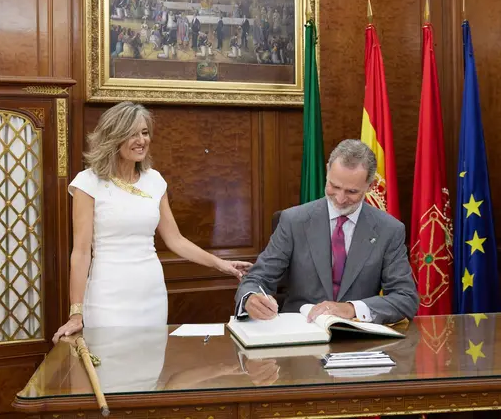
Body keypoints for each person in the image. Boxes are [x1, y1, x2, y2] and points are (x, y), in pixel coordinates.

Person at [53, 102, 252, 343]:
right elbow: (81, 253)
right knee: (110, 371)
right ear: (112, 137)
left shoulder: (154, 180)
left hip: (152, 293)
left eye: (145, 133)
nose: (141, 140)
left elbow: (175, 240)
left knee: (149, 369)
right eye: (132, 133)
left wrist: (222, 265)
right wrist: (76, 314)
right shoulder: (88, 182)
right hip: (108, 295)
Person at [234, 139, 419, 325]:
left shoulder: (389, 230)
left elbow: (405, 298)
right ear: (328, 170)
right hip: (301, 335)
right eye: (335, 186)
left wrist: (351, 308)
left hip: (358, 339)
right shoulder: (294, 221)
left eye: (352, 192)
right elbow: (258, 277)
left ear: (370, 186)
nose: (340, 199)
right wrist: (250, 298)